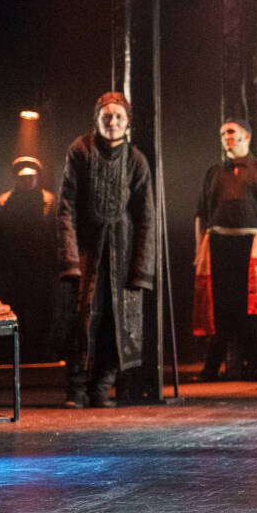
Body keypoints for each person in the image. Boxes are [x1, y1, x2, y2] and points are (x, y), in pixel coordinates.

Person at [56, 92, 155, 408]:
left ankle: (102, 386)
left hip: (122, 250)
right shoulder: (80, 150)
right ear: (97, 119)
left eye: (119, 117)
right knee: (82, 316)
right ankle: (76, 387)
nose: (113, 122)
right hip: (88, 248)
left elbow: (146, 215)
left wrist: (141, 267)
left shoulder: (135, 160)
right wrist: (70, 257)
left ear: (128, 123)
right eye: (107, 116)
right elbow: (66, 205)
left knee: (117, 321)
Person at [193, 119, 257, 381]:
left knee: (253, 308)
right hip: (218, 245)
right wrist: (199, 250)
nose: (226, 136)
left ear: (247, 136)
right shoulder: (214, 172)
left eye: (231, 131)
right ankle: (211, 369)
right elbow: (201, 215)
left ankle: (255, 367)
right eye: (222, 133)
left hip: (250, 245)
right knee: (218, 307)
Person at [0, 156, 56, 361]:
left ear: (37, 177)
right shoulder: (3, 202)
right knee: (15, 309)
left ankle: (39, 351)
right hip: (13, 268)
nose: (27, 181)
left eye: (31, 177)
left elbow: (56, 234)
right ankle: (16, 351)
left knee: (42, 310)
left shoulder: (49, 201)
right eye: (23, 178)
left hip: (41, 267)